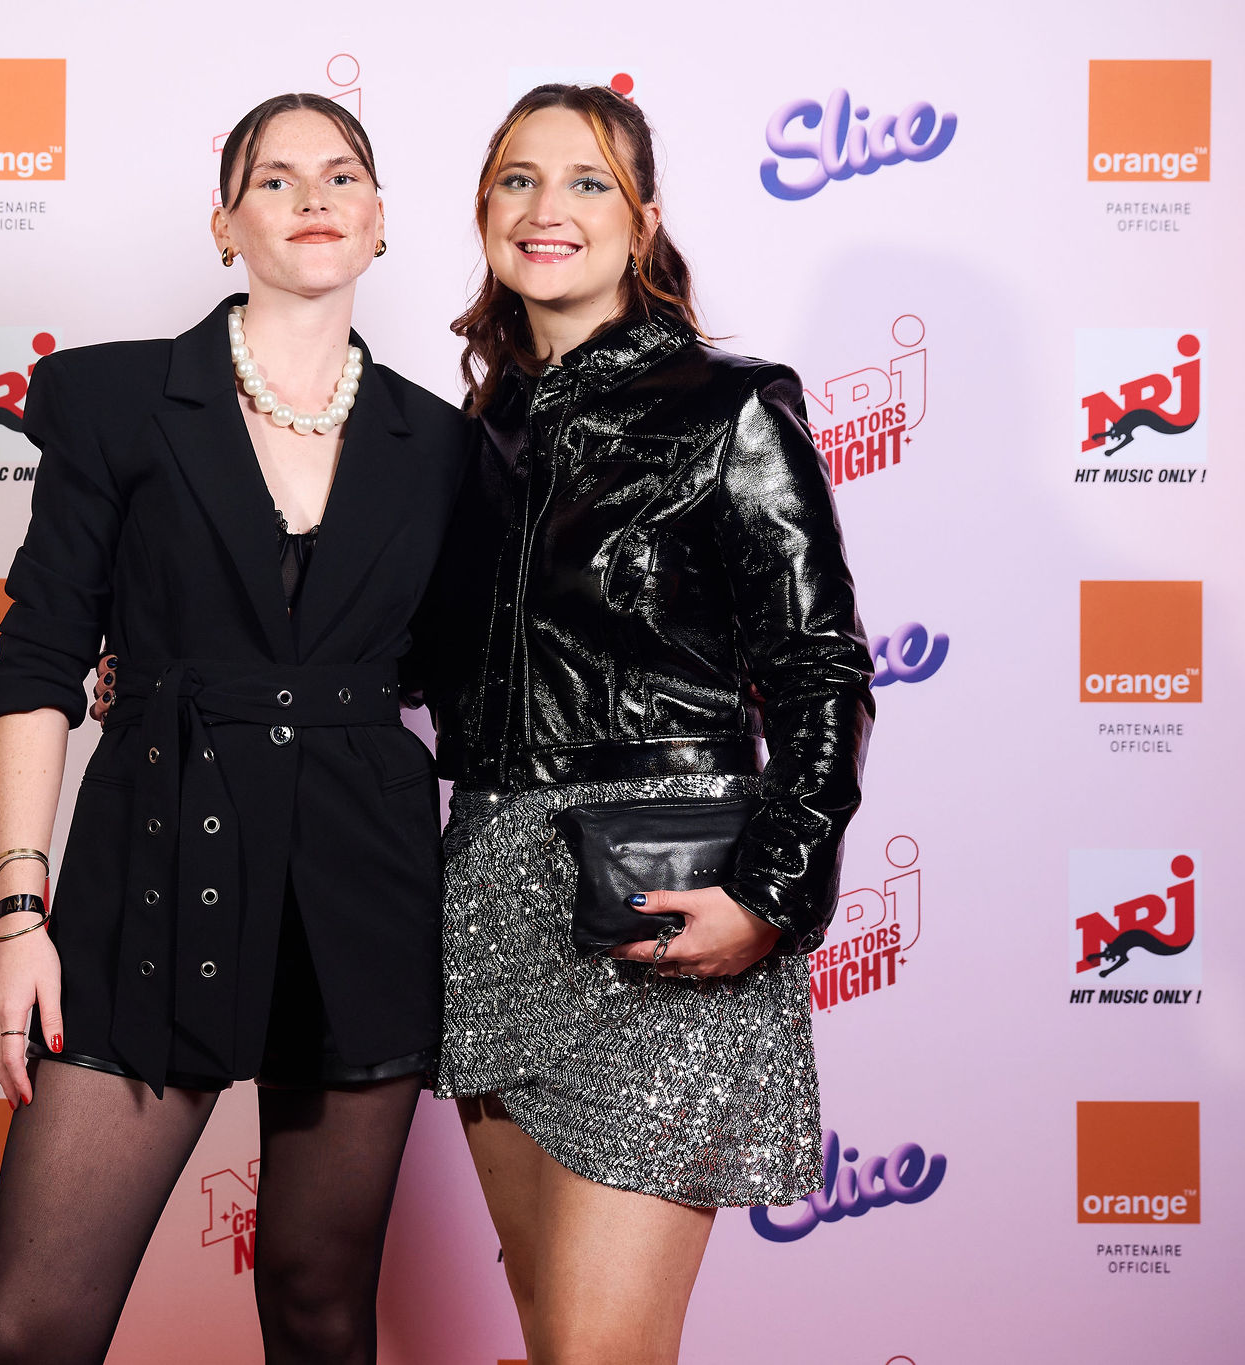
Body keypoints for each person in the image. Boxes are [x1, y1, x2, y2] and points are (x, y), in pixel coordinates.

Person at [0, 93, 467, 1365]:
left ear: (378, 221)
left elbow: (465, 687)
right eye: (274, 178)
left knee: (317, 1305)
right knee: (32, 1330)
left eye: (342, 175)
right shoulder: (112, 397)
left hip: (364, 884)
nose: (312, 198)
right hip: (152, 860)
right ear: (223, 225)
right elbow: (39, 659)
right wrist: (19, 914)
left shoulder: (443, 446)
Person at [420, 84, 875, 1364]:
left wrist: (772, 893)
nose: (546, 207)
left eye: (586, 182)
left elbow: (818, 666)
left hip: (661, 896)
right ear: (483, 211)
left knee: (596, 1350)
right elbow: (404, 658)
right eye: (517, 179)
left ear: (643, 219)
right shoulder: (469, 441)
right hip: (490, 898)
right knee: (550, 1336)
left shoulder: (728, 407)